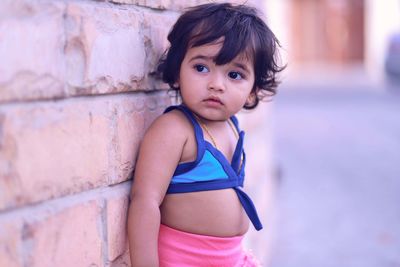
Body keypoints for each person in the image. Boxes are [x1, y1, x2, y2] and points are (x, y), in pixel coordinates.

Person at [127, 2, 284, 266]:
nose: (216, 84)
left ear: (253, 90)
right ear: (177, 71)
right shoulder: (175, 130)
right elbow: (145, 202)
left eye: (234, 74)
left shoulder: (232, 126)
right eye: (201, 68)